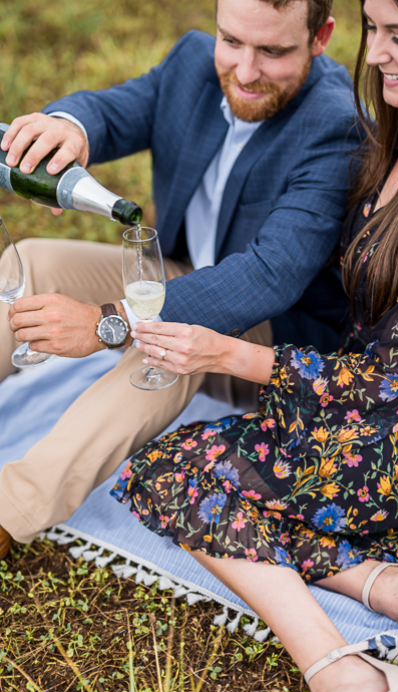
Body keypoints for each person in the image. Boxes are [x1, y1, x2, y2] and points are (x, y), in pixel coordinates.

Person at [111, 0, 398, 692]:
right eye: (373, 29)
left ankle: (338, 671)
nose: (375, 53)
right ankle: (391, 586)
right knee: (193, 465)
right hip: (360, 403)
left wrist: (233, 354)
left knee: (169, 474)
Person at [0, 0, 360, 561]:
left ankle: (12, 509)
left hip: (271, 335)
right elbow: (113, 113)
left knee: (170, 342)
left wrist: (107, 322)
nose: (245, 71)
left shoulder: (337, 124)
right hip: (183, 272)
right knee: (33, 259)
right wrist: (66, 128)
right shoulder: (192, 59)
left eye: (273, 51)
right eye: (232, 41)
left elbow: (270, 274)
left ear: (321, 38)